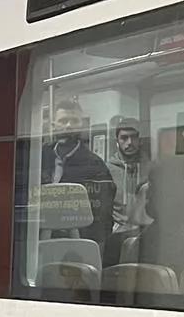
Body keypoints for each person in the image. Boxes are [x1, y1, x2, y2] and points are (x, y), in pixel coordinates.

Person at [40, 98, 116, 258]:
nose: (68, 125)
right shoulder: (38, 158)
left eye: (74, 121)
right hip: (37, 240)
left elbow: (102, 216)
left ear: (82, 125)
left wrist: (95, 253)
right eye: (63, 121)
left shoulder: (95, 165)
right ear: (52, 126)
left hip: (78, 244)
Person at [107, 117, 152, 264]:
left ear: (141, 140)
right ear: (117, 141)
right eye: (124, 138)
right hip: (118, 235)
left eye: (134, 137)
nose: (129, 143)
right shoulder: (108, 170)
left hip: (147, 233)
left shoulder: (151, 168)